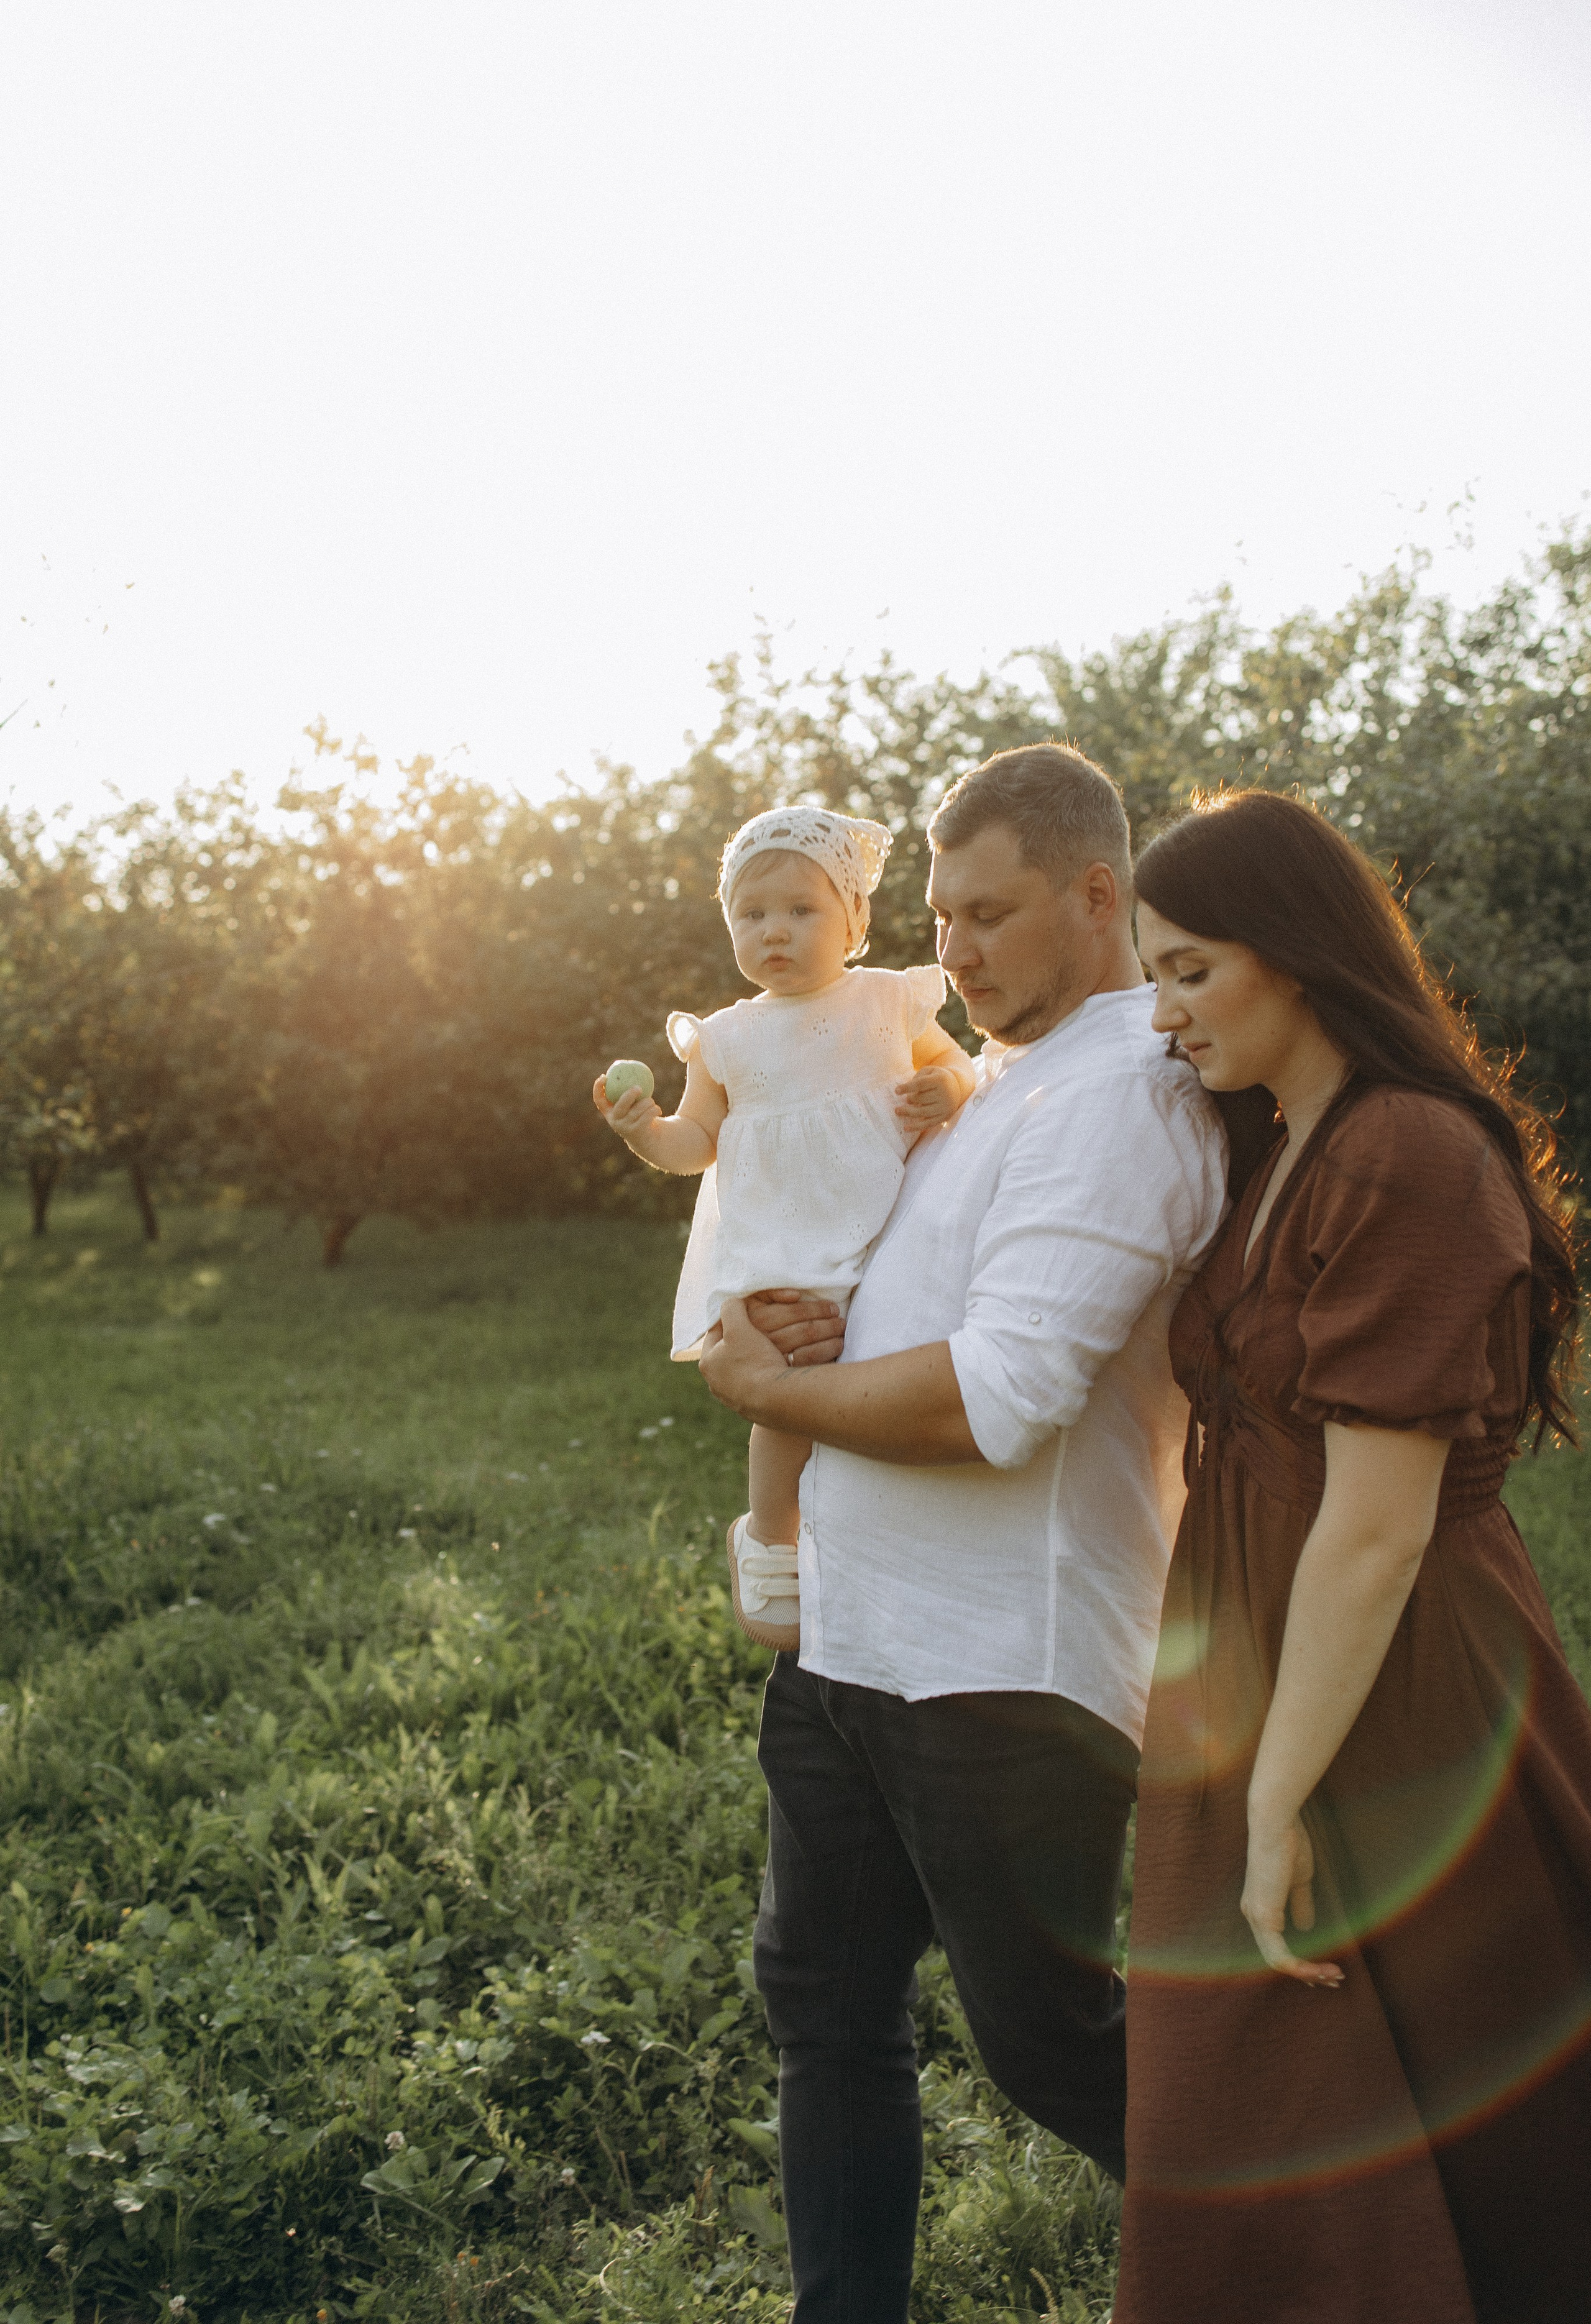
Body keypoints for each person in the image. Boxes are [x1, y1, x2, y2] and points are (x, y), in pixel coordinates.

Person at [697, 744, 1227, 2324]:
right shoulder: (994, 1078)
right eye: (939, 917)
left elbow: (1003, 1396)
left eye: (989, 916)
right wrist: (810, 1318)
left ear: (1096, 897)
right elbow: (895, 1280)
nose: (955, 950)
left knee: (1048, 2045)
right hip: (852, 1644)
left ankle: (1343, 2253)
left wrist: (765, 1388)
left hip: (1002, 1667)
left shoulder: (1126, 1095)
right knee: (822, 2010)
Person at [1120, 789, 1590, 2324]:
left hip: (1393, 1683)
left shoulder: (1406, 1152)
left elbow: (1377, 1529)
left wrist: (1274, 1793)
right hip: (1268, 1663)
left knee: (1455, 2096)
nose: (1163, 1011)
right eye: (1153, 975)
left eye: (1190, 969)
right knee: (1255, 2092)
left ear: (1298, 949)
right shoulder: (1276, 1139)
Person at [593, 805, 976, 1649]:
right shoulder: (726, 1039)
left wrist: (947, 1088)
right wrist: (645, 1130)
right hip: (781, 1250)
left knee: (876, 1377)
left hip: (885, 1231)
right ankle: (770, 1533)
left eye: (802, 910)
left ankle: (859, 1535)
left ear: (855, 920)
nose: (774, 930)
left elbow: (959, 1065)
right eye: (752, 913)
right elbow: (696, 1143)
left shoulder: (886, 1003)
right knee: (787, 1382)